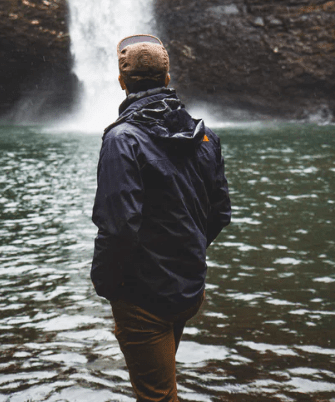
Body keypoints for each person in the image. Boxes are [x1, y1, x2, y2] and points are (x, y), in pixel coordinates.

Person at [91, 34, 231, 402]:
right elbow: (219, 213)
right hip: (188, 287)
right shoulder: (206, 137)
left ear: (122, 82)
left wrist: (108, 285)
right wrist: (186, 254)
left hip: (144, 296)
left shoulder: (122, 139)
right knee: (163, 385)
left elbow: (118, 226)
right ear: (168, 78)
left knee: (156, 396)